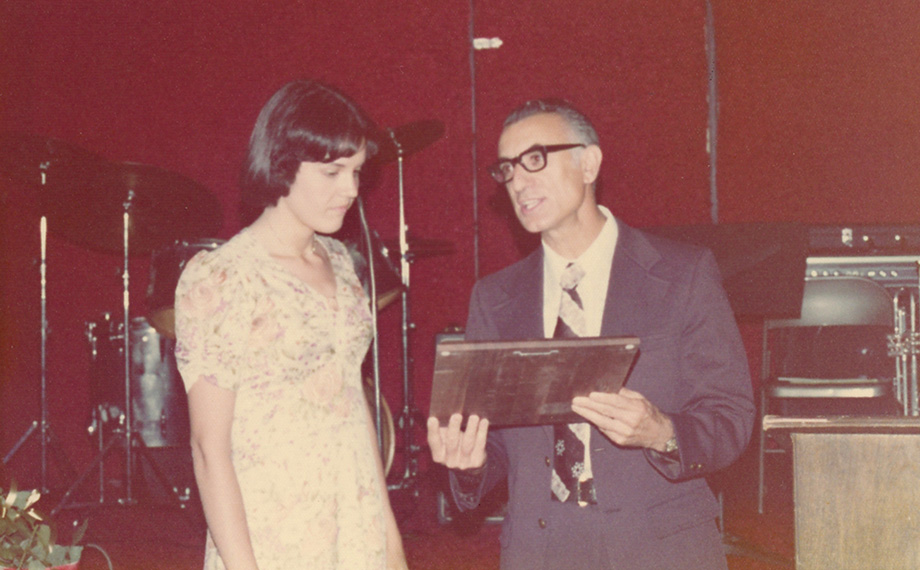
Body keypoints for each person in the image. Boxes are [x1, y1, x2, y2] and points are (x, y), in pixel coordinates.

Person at [427, 99, 755, 570]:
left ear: (589, 162)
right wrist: (469, 461)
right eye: (507, 169)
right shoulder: (494, 298)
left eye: (535, 159)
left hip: (659, 547)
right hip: (539, 551)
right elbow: (495, 441)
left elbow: (731, 416)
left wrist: (662, 431)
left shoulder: (683, 274)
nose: (518, 181)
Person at [174, 79, 407, 570]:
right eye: (332, 172)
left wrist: (390, 540)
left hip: (355, 523)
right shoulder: (221, 277)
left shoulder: (342, 262)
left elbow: (351, 399)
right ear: (281, 164)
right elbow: (207, 448)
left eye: (357, 172)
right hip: (273, 534)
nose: (350, 190)